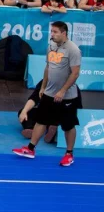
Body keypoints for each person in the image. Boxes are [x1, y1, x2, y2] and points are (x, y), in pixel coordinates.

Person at [13, 21, 82, 167]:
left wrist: (62, 91)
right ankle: (30, 149)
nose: (52, 34)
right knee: (41, 121)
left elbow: (75, 73)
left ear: (64, 33)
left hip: (67, 96)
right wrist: (43, 87)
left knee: (68, 126)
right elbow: (48, 67)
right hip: (49, 93)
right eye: (51, 31)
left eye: (55, 32)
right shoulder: (50, 46)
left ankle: (69, 154)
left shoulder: (73, 49)